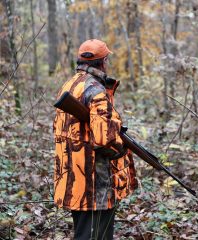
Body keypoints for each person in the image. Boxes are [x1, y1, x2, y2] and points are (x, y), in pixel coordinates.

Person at [53, 39, 138, 239]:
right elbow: (104, 141)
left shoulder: (70, 84)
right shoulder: (96, 90)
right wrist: (122, 148)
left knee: (84, 233)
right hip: (94, 183)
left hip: (72, 177)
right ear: (103, 61)